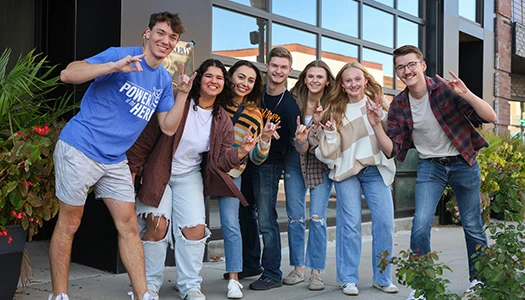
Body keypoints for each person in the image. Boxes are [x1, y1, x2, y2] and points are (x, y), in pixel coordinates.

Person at [51, 12, 185, 300]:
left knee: (128, 226)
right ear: (147, 34)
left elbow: (168, 127)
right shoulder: (121, 56)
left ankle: (142, 295)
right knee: (70, 223)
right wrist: (112, 67)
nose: (166, 40)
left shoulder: (162, 79)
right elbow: (68, 74)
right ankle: (59, 296)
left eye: (172, 37)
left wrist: (183, 95)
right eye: (160, 33)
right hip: (80, 147)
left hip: (114, 159)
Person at [368, 45, 496, 300]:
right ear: (397, 72)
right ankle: (423, 285)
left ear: (422, 65)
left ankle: (479, 282)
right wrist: (375, 126)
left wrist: (467, 94)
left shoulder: (446, 90)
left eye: (411, 64)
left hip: (463, 162)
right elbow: (391, 150)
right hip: (430, 166)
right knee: (420, 224)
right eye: (401, 67)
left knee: (472, 225)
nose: (407, 70)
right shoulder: (400, 105)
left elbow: (490, 116)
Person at [127, 58, 258, 300]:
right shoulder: (180, 101)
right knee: (157, 226)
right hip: (160, 171)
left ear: (224, 84)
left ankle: (190, 286)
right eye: (209, 76)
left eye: (219, 78)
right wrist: (135, 169)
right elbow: (148, 135)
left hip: (189, 175)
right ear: (199, 79)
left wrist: (241, 151)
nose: (214, 81)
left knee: (195, 230)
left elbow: (221, 158)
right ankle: (148, 286)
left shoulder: (221, 119)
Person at [314, 62, 398, 296]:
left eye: (357, 79)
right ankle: (348, 278)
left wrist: (379, 115)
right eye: (348, 80)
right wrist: (328, 132)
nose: (353, 84)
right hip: (347, 171)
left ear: (366, 80)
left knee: (385, 223)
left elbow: (390, 135)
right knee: (349, 225)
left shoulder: (378, 104)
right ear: (342, 83)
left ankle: (383, 277)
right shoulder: (334, 108)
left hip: (374, 169)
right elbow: (327, 151)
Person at [238, 47, 301, 291]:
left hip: (270, 165)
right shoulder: (255, 95)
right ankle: (251, 264)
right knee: (245, 215)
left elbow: (292, 143)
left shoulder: (290, 106)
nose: (278, 70)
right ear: (267, 66)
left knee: (266, 219)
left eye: (284, 67)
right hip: (245, 162)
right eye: (274, 65)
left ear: (289, 71)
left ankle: (272, 272)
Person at [219, 60, 279, 298]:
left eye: (250, 80)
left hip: (232, 173)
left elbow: (256, 157)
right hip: (201, 170)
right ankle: (188, 278)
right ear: (230, 76)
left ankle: (234, 278)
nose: (244, 83)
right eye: (240, 77)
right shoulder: (215, 103)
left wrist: (264, 139)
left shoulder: (254, 113)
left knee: (231, 224)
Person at [281, 60, 335, 290]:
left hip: (321, 162)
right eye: (310, 76)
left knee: (317, 217)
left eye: (319, 77)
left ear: (327, 81)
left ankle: (316, 272)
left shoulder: (333, 104)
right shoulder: (294, 101)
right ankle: (298, 269)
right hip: (295, 160)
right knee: (295, 217)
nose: (314, 80)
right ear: (304, 78)